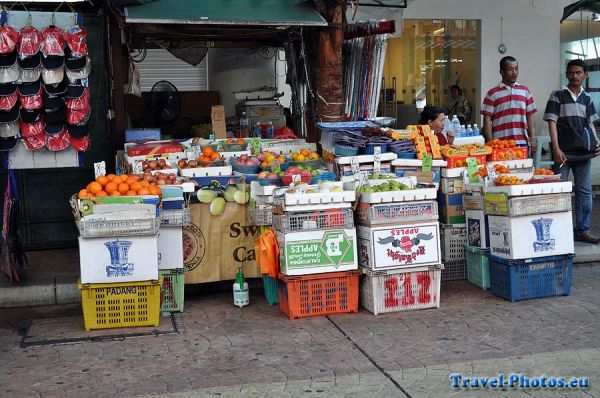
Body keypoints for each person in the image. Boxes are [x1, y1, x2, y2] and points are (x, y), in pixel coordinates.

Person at [543, 59, 600, 243]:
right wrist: (556, 148)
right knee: (558, 191)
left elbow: (590, 124)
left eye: (578, 73)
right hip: (563, 153)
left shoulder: (588, 98)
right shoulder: (557, 95)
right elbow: (552, 122)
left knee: (584, 192)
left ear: (585, 74)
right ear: (566, 74)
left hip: (583, 152)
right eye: (571, 73)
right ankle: (556, 231)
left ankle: (582, 230)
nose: (574, 76)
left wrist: (597, 143)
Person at [481, 56, 538, 154]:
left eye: (516, 69)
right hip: (499, 144)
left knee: (521, 169)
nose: (514, 72)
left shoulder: (525, 91)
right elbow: (487, 119)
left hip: (522, 142)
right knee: (500, 169)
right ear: (501, 72)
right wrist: (490, 142)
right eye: (510, 69)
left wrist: (533, 137)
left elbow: (530, 115)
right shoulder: (492, 93)